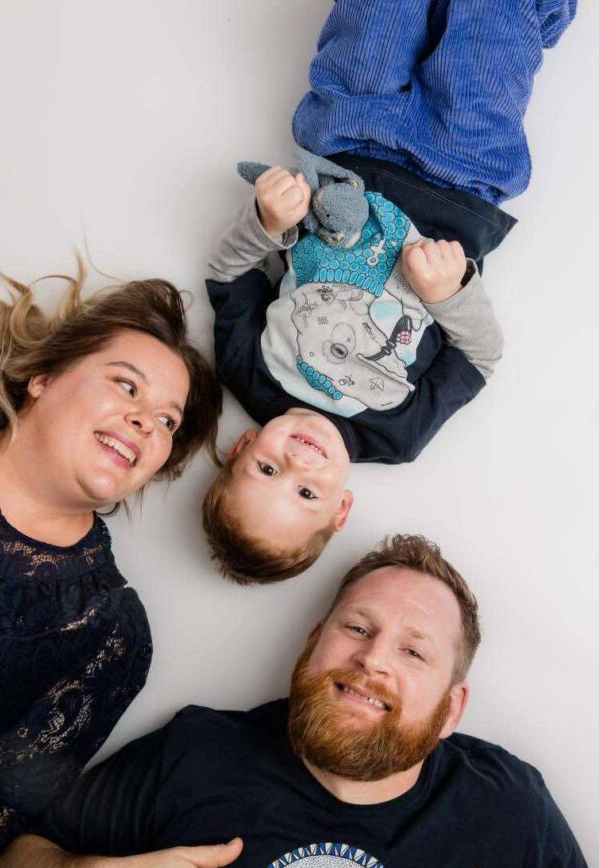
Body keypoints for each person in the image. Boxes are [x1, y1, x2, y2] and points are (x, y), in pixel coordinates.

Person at [0, 534, 599, 868]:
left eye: (414, 652)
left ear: (451, 708)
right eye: (357, 628)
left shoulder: (509, 807)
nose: (373, 659)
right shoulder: (198, 753)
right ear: (313, 643)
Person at [201, 0, 577, 584]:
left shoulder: (249, 373)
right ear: (341, 507)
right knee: (490, 40)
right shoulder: (398, 435)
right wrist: (448, 293)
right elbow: (480, 357)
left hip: (347, 144)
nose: (297, 460)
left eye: (267, 469)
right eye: (306, 492)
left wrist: (268, 222)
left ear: (242, 446)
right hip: (460, 177)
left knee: (375, 22)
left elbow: (228, 274)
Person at [0, 265, 222, 868]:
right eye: (127, 385)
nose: (147, 421)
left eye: (168, 420)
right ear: (44, 376)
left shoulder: (102, 633)